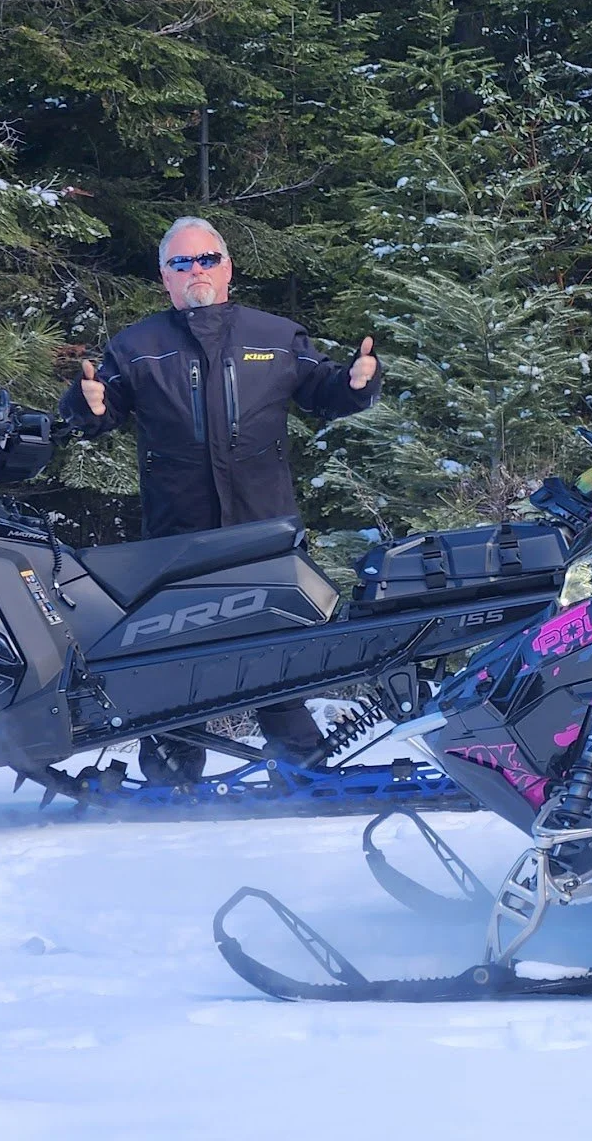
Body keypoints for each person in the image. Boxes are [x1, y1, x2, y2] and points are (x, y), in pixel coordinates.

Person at [61, 216, 382, 772]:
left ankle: (303, 768)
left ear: (228, 266)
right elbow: (101, 409)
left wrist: (357, 383)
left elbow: (324, 389)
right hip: (177, 532)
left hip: (263, 524)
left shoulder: (275, 335)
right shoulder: (137, 346)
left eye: (207, 259)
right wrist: (86, 404)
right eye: (181, 263)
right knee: (174, 653)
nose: (196, 272)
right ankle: (170, 777)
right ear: (165, 276)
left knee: (271, 646)